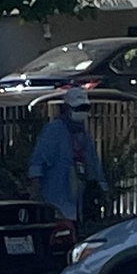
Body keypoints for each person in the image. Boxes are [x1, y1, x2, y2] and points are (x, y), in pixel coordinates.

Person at [30, 87, 111, 225]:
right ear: (67, 108)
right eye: (78, 108)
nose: (82, 112)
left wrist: (104, 190)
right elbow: (37, 163)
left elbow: (94, 164)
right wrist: (36, 194)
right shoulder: (54, 131)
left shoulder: (84, 134)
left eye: (84, 108)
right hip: (56, 197)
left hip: (79, 200)